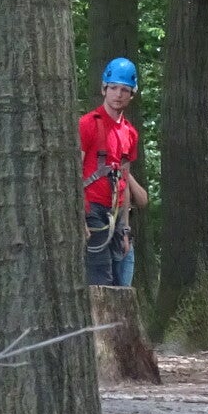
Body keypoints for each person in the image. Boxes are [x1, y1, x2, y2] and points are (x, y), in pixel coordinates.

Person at [80, 57, 140, 286]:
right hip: (91, 209)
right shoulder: (88, 124)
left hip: (114, 213)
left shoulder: (130, 133)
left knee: (120, 282)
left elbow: (123, 182)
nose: (118, 94)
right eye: (113, 88)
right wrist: (79, 217)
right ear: (104, 89)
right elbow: (75, 173)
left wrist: (125, 228)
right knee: (100, 280)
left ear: (131, 94)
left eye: (124, 90)